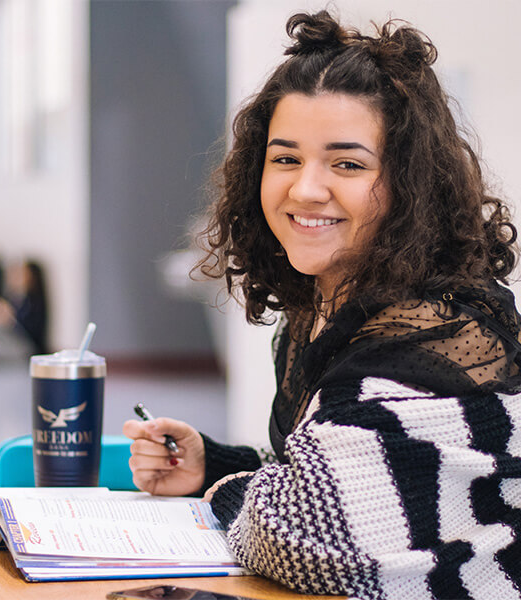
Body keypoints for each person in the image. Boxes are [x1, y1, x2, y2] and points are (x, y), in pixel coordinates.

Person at [123, 10, 521, 599]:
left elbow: (303, 537)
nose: (306, 188)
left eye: (348, 164)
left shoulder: (431, 335)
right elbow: (347, 464)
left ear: (409, 184)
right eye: (285, 158)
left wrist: (223, 489)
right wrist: (214, 461)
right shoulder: (319, 309)